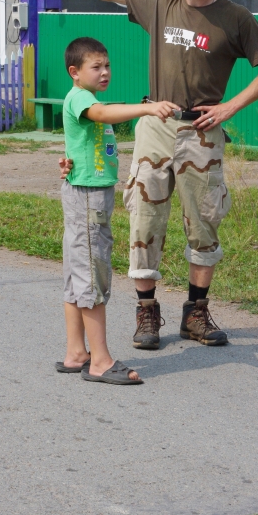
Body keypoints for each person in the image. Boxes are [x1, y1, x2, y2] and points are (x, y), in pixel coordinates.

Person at [27, 0, 258, 351]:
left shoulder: (234, 17)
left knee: (204, 221)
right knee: (144, 218)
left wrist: (229, 108)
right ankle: (146, 312)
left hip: (202, 131)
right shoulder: (161, 5)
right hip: (155, 124)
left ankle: (195, 314)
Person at [56, 36, 179, 384]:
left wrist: (67, 163)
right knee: (92, 276)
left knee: (77, 276)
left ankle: (76, 352)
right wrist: (146, 108)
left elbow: (81, 140)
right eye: (96, 67)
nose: (105, 71)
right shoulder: (84, 100)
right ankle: (100, 362)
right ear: (74, 72)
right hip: (87, 200)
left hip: (86, 195)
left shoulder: (85, 98)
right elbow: (102, 114)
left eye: (107, 65)